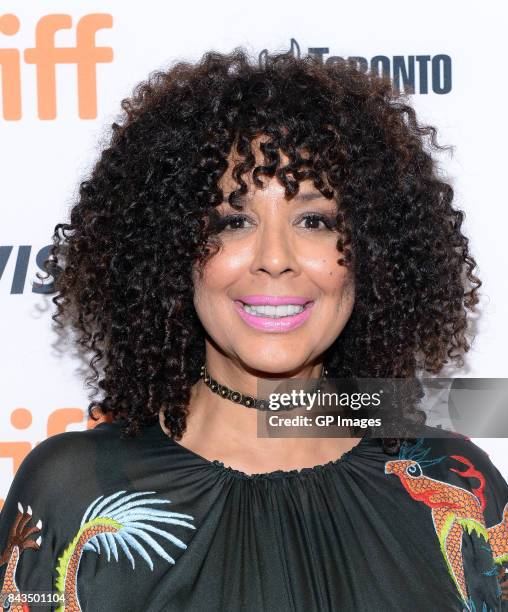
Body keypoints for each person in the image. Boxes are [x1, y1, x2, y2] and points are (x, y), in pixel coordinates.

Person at [0, 47, 507, 612]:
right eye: (234, 221)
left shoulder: (457, 485)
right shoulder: (76, 490)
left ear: (375, 254)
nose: (274, 258)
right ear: (172, 251)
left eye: (314, 221)